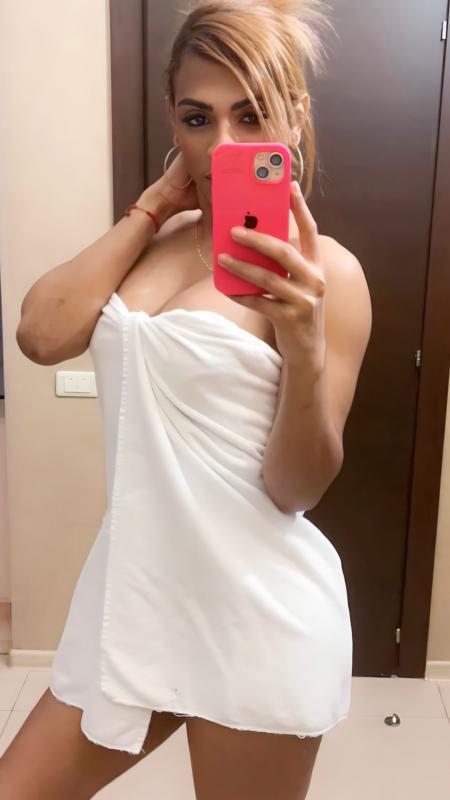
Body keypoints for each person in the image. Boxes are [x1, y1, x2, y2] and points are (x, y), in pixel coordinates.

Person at [4, 1, 372, 798]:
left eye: (253, 114)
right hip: (133, 601)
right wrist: (151, 208)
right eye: (199, 117)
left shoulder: (328, 275)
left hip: (256, 615)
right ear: (173, 119)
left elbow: (296, 487)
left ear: (295, 118)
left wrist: (304, 344)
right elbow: (40, 335)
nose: (224, 144)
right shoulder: (151, 242)